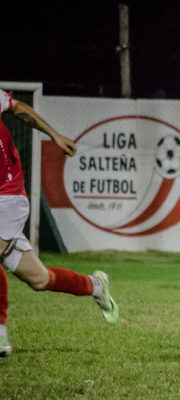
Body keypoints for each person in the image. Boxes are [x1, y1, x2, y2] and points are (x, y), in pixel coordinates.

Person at [0, 89, 118, 357]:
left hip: (8, 197)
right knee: (40, 279)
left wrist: (54, 135)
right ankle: (96, 286)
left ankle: (0, 336)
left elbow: (19, 107)